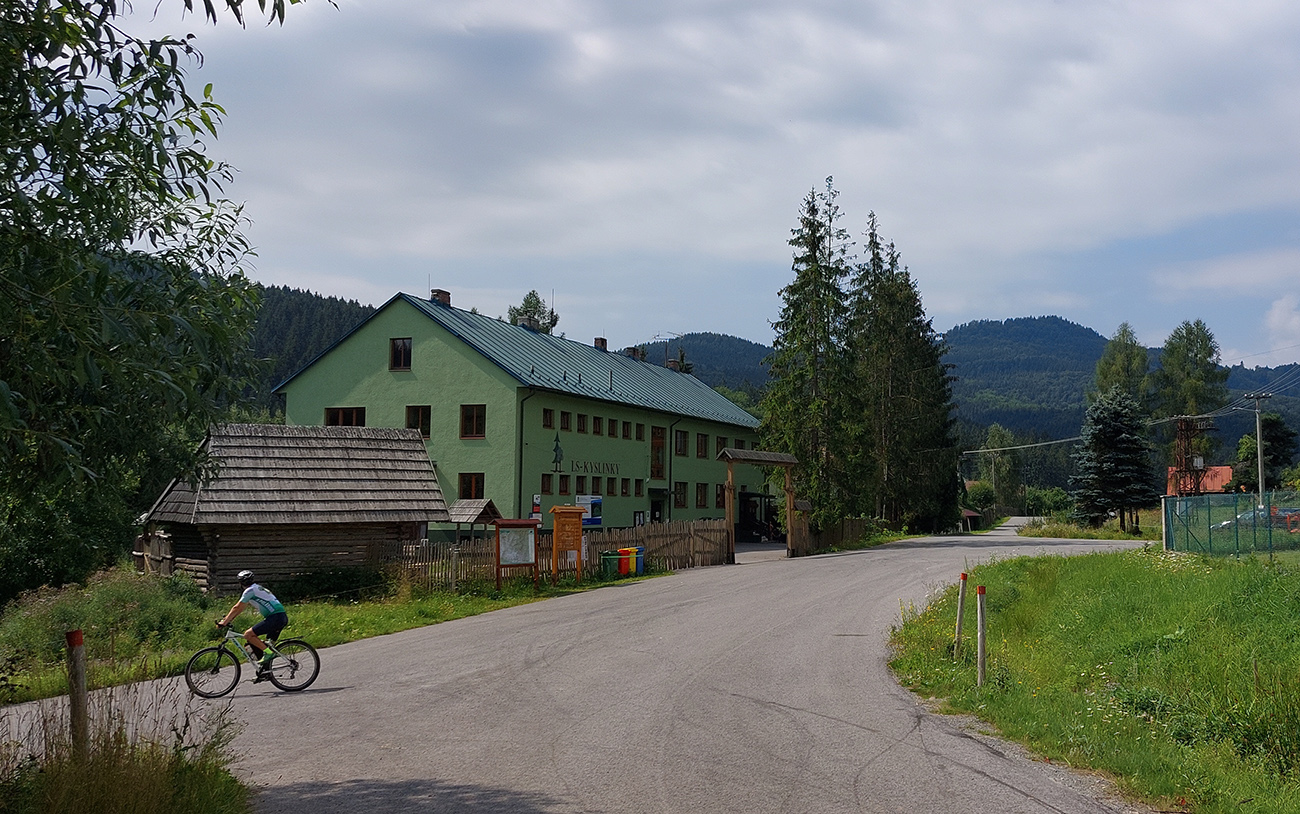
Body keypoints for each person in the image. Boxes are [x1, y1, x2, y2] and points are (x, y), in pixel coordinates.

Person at [218, 570, 288, 678]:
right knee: (265, 645)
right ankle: (265, 672)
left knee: (248, 635)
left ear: (240, 583)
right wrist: (229, 619)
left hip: (275, 618)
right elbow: (240, 609)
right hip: (280, 617)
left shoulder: (249, 591)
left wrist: (225, 622)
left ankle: (269, 653)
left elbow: (237, 607)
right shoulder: (257, 588)